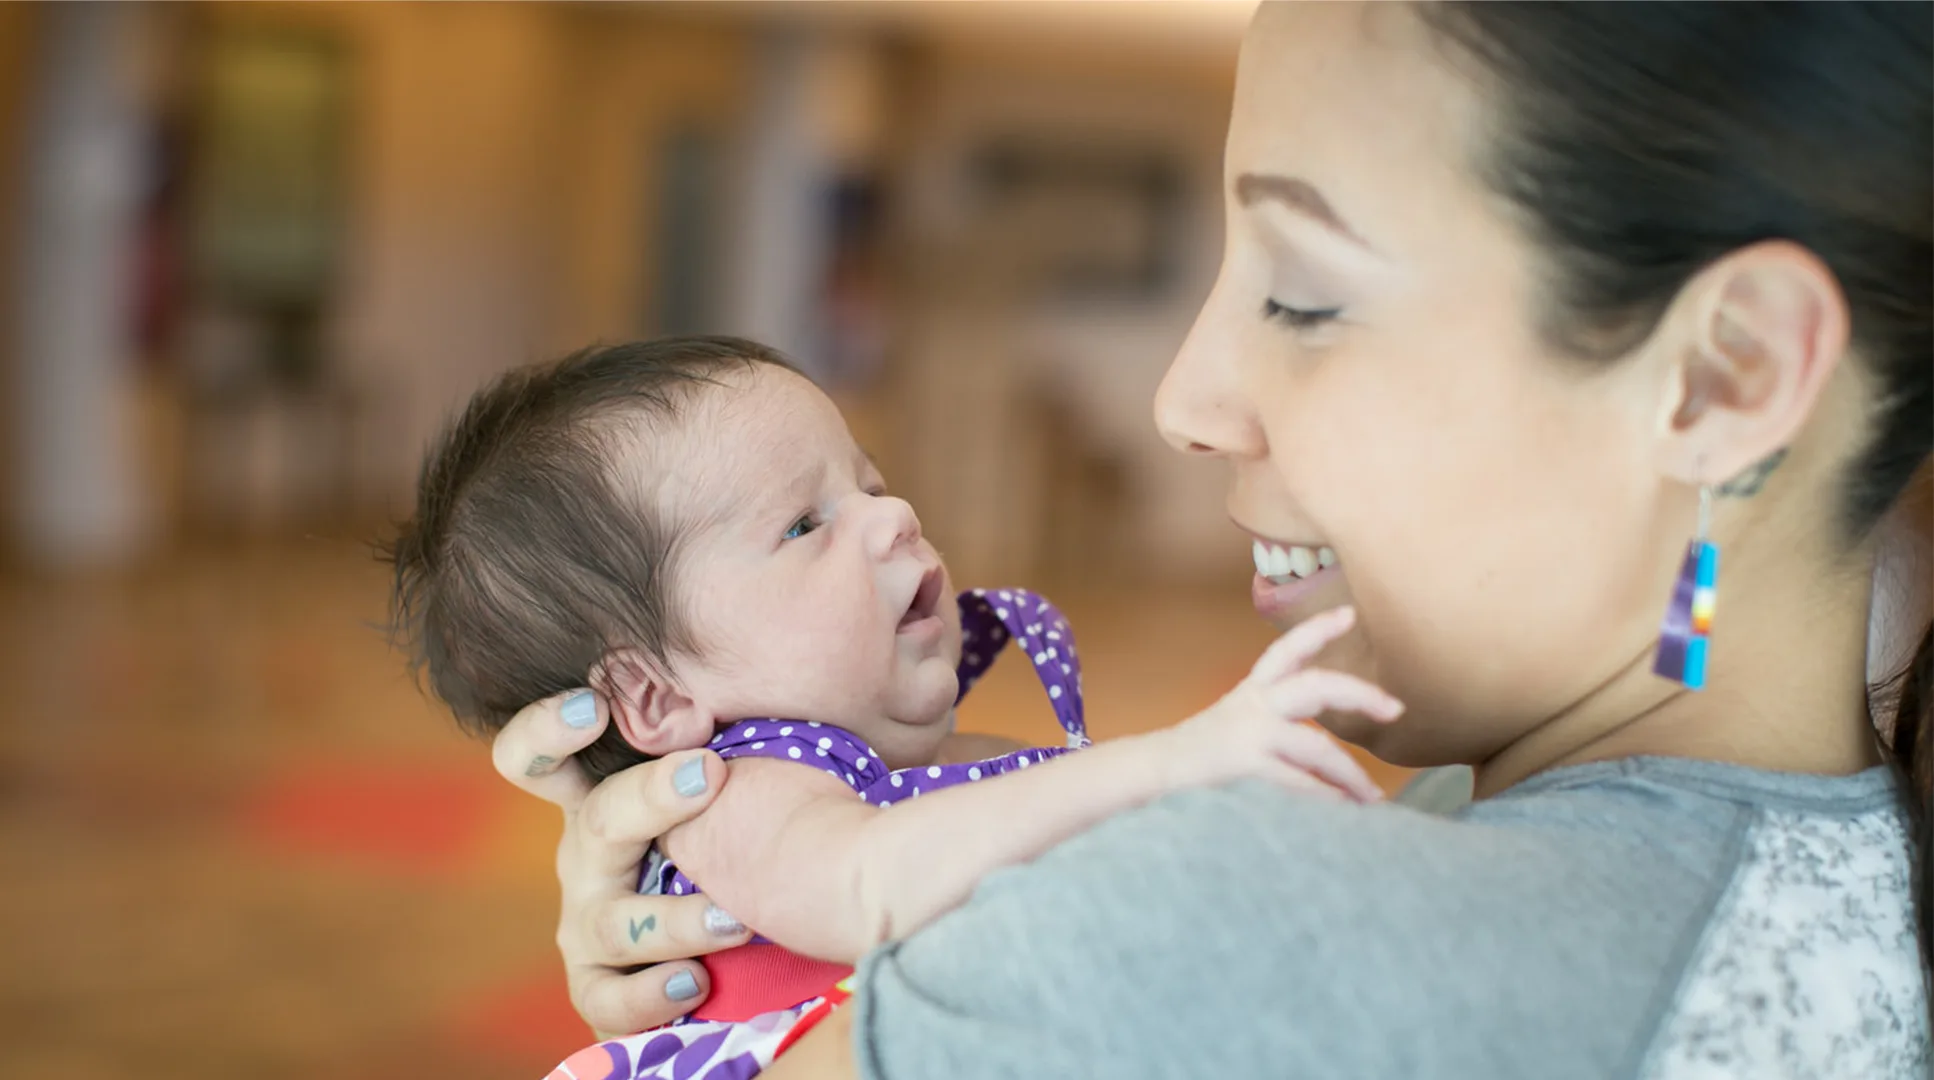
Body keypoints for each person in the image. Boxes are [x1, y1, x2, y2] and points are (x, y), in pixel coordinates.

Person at [487, 4, 1933, 1076]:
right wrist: (753, 899)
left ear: (1724, 376)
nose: (1184, 400)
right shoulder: (1853, 842)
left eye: (1301, 293)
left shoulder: (1221, 932)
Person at [384, 338, 1396, 1077]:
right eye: (804, 525)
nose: (893, 515)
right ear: (652, 695)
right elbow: (872, 881)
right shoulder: (734, 794)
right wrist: (1172, 759)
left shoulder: (927, 761)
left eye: (870, 482)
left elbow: (1052, 835)